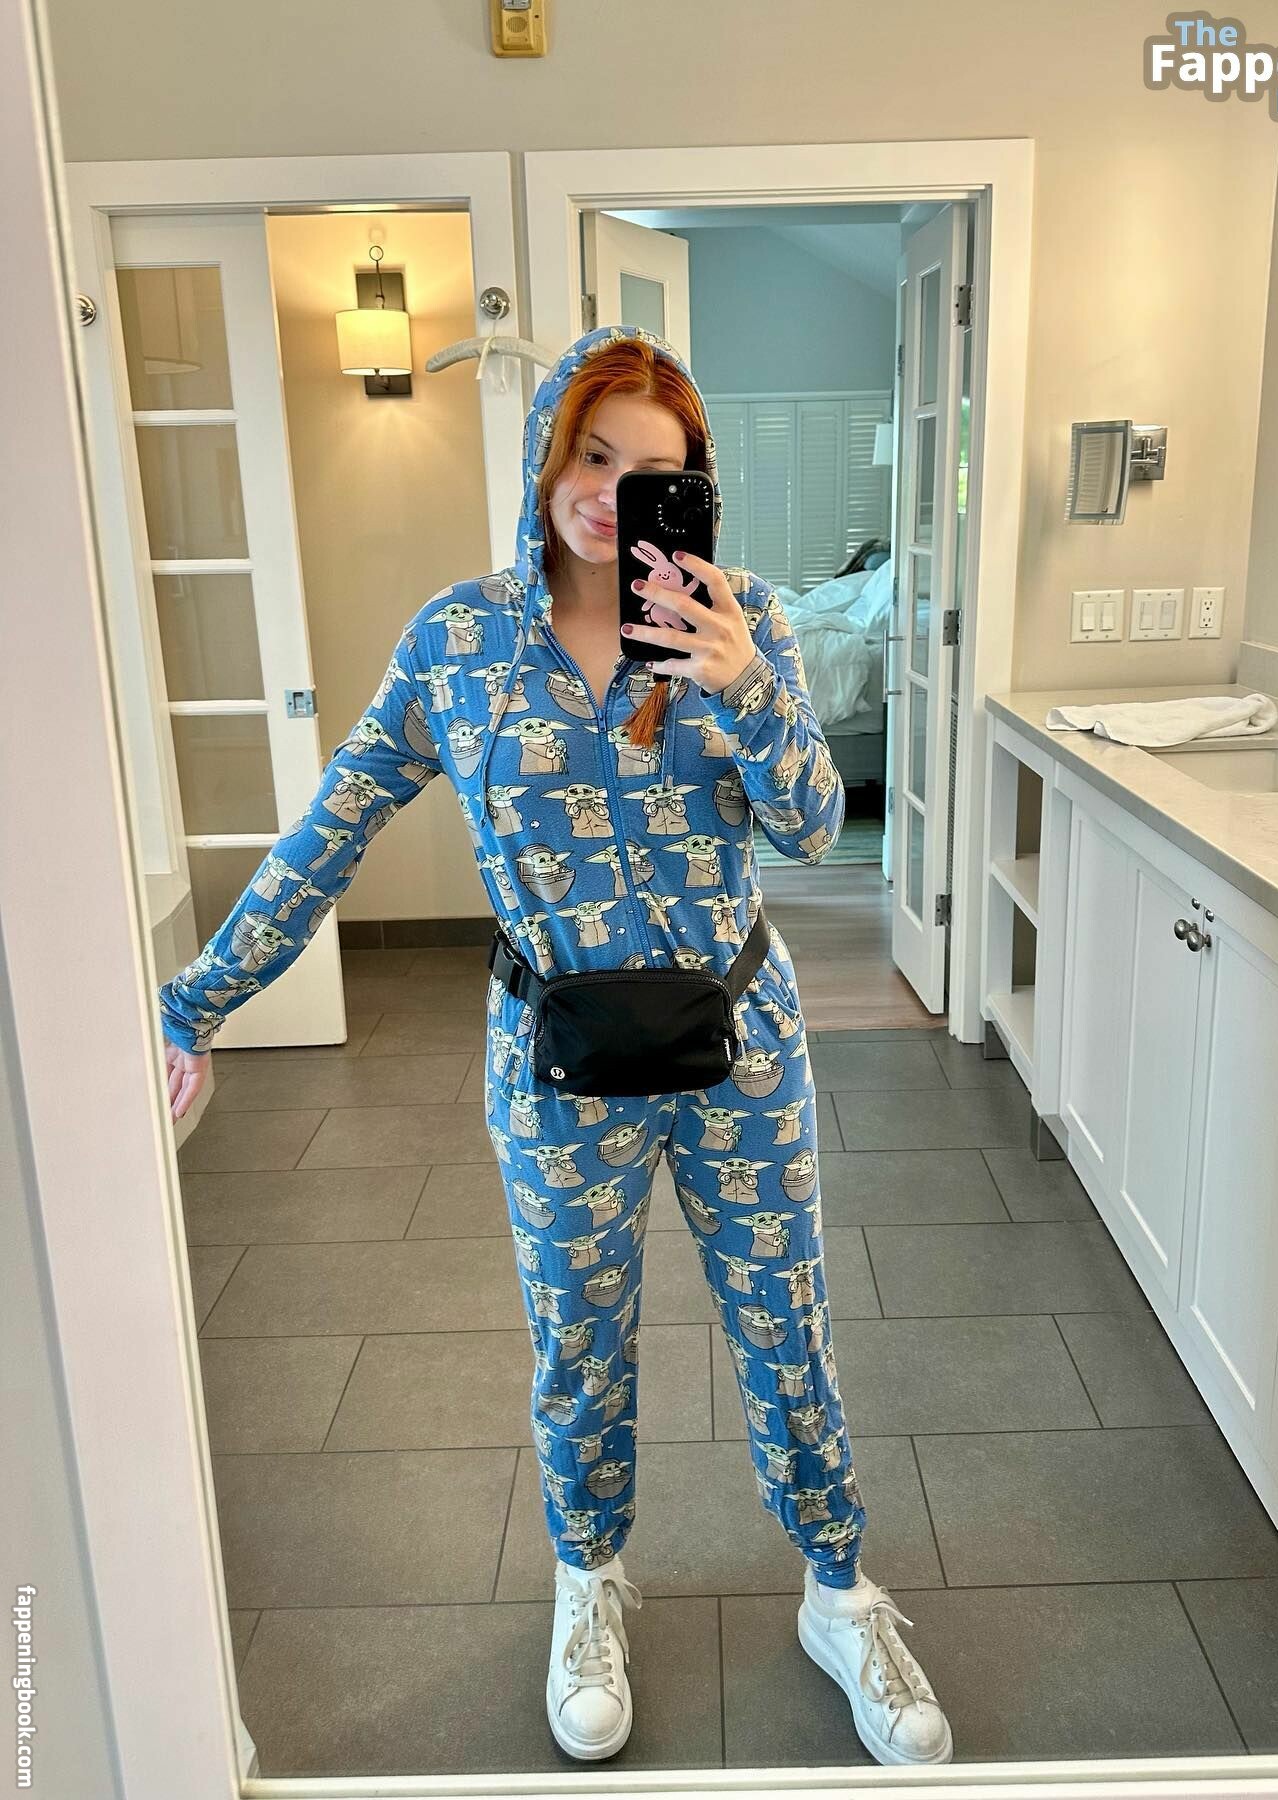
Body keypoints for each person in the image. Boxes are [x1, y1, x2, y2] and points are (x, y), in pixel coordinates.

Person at [158, 325, 953, 1768]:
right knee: (575, 1343)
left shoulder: (751, 623)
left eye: (653, 470)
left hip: (741, 1046)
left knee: (787, 1327)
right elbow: (333, 827)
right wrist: (192, 1004)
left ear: (693, 489)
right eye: (593, 454)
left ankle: (840, 1593)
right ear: (546, 455)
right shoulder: (457, 642)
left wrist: (744, 682)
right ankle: (590, 1584)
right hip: (554, 1063)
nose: (612, 493)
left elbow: (813, 826)